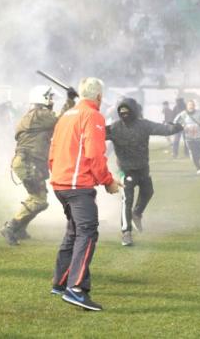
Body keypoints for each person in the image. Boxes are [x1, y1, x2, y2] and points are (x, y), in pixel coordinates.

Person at [49, 77, 120, 311]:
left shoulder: (66, 116)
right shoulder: (93, 116)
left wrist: (59, 175)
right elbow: (95, 154)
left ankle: (60, 282)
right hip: (77, 185)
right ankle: (75, 288)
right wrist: (107, 181)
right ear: (99, 96)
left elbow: (52, 152)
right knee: (87, 232)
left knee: (74, 231)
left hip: (61, 182)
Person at [0, 85, 75, 246]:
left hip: (27, 162)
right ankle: (11, 227)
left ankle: (20, 229)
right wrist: (70, 100)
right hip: (29, 162)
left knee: (38, 198)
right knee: (39, 200)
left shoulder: (33, 115)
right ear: (43, 98)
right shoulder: (39, 115)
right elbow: (61, 121)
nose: (52, 101)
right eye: (50, 98)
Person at [107, 97, 182, 246]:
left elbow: (163, 129)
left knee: (148, 192)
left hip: (143, 169)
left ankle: (137, 214)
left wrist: (175, 128)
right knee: (127, 200)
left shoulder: (144, 125)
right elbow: (95, 133)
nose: (124, 114)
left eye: (127, 111)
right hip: (125, 171)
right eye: (122, 111)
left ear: (134, 111)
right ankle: (126, 232)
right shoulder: (114, 128)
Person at [174, 99, 200, 174]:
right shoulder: (183, 114)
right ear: (187, 106)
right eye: (189, 105)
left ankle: (195, 157)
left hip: (198, 137)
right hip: (189, 137)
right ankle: (198, 168)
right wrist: (182, 126)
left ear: (194, 106)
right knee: (193, 153)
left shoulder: (199, 112)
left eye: (192, 105)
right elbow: (175, 121)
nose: (191, 106)